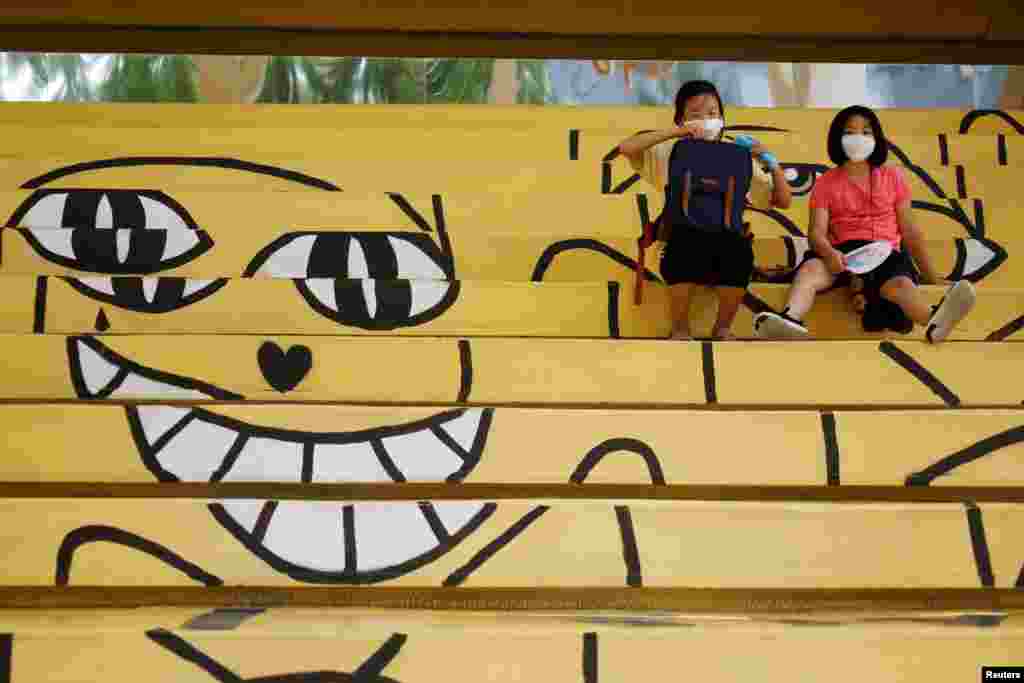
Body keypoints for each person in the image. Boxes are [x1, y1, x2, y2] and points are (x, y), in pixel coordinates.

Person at [752, 105, 976, 343]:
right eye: (850, 132)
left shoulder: (893, 177)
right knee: (809, 271)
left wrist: (931, 276)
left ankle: (933, 321)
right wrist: (828, 254)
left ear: (877, 139)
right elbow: (816, 234)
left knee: (900, 284)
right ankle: (790, 318)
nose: (858, 138)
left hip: (884, 252)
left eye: (866, 132)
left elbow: (910, 231)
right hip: (841, 253)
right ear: (837, 139)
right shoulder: (826, 182)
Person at [617, 80, 793, 340]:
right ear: (681, 119)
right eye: (696, 115)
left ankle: (722, 329)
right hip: (680, 239)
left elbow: (782, 200)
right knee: (685, 246)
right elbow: (626, 148)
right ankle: (679, 329)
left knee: (740, 253)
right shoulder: (669, 151)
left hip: (726, 240)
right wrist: (675, 133)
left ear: (722, 117)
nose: (707, 120)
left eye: (713, 113)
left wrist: (770, 160)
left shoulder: (737, 155)